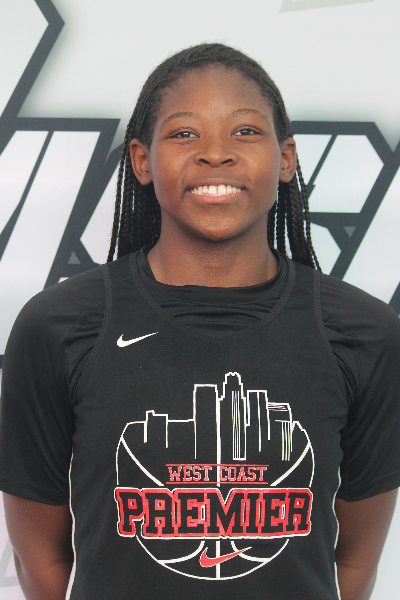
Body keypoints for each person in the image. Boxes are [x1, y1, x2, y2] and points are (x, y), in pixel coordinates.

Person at [0, 43, 399, 600]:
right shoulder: (58, 326)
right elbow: (39, 557)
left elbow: (355, 563)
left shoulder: (363, 333)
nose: (216, 154)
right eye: (185, 133)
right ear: (142, 160)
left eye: (245, 131)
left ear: (286, 159)